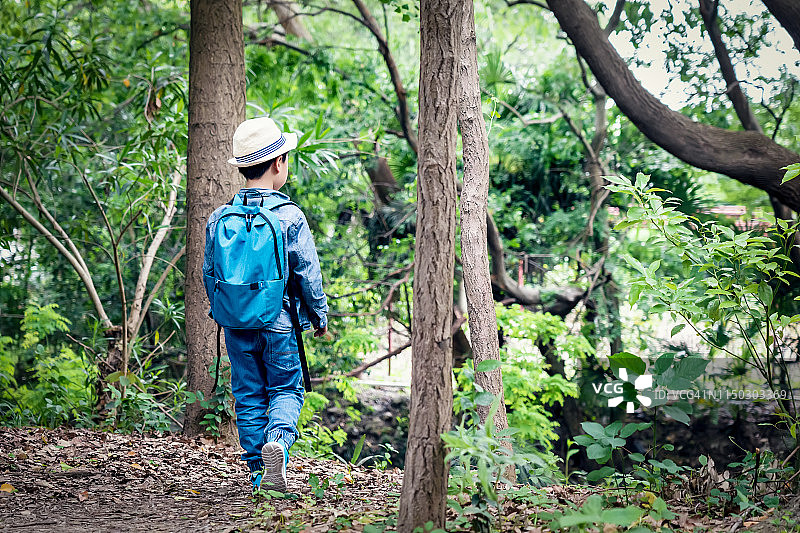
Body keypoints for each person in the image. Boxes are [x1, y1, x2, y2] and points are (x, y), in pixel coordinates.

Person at [202, 116, 329, 492]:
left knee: (248, 394)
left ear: (242, 168)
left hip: (236, 324)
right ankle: (279, 445)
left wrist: (225, 312)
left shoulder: (217, 219)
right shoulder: (289, 216)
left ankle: (260, 471)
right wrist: (318, 315)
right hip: (279, 320)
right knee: (287, 390)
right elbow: (308, 273)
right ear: (278, 164)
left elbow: (209, 275)